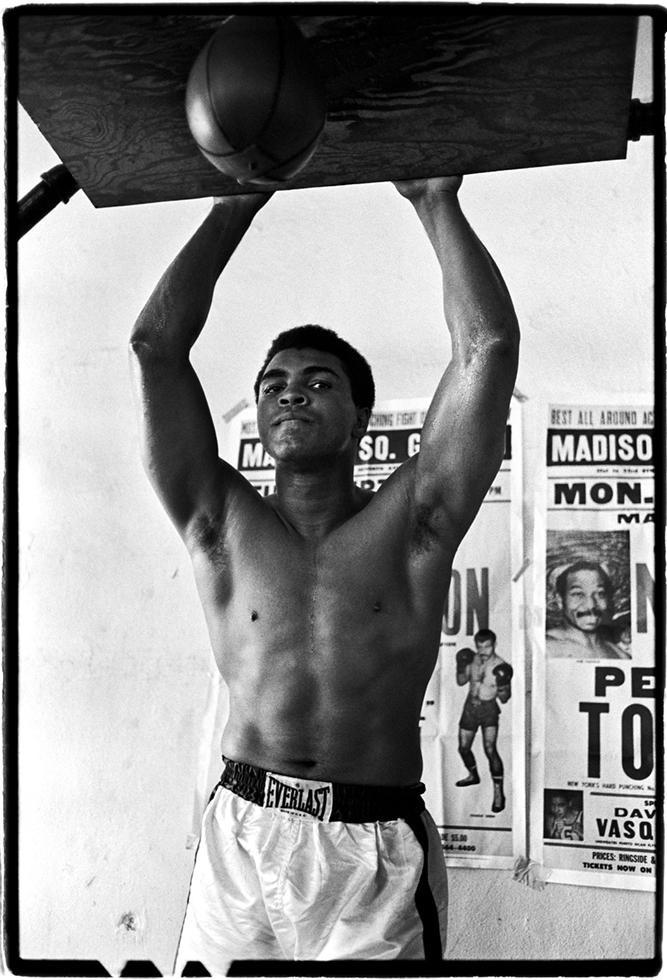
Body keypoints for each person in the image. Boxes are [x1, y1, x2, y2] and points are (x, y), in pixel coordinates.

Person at [129, 175, 519, 969]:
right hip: (241, 830)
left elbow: (486, 350)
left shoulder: (414, 524)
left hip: (371, 849)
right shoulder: (217, 522)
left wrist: (433, 201)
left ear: (361, 419)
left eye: (317, 382)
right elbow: (154, 347)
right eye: (272, 383)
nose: (289, 393)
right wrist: (236, 201)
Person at [454, 629, 513, 813]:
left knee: (490, 749)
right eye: (480, 646)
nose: (483, 650)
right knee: (463, 748)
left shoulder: (500, 665)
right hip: (470, 708)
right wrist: (461, 665)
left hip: (488, 710)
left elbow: (505, 698)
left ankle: (498, 793)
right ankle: (473, 775)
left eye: (487, 646)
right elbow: (461, 681)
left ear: (494, 644)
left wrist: (503, 685)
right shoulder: (472, 660)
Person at [546, 560, 630, 660]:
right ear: (560, 600)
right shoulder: (544, 648)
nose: (591, 605)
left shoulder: (620, 655)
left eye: (600, 594)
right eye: (578, 594)